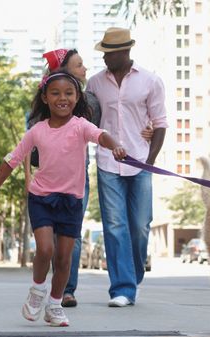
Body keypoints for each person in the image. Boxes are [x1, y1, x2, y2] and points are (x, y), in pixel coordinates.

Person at [0, 70, 127, 327]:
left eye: (69, 93)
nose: (63, 98)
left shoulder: (81, 126)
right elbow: (10, 161)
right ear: (45, 98)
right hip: (42, 198)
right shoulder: (37, 131)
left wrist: (115, 145)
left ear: (77, 97)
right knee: (46, 249)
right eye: (55, 93)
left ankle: (55, 305)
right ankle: (37, 291)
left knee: (64, 259)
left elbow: (101, 135)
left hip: (71, 201)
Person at [39, 48, 154, 308]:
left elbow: (105, 125)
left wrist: (147, 129)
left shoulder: (88, 96)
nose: (85, 68)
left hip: (82, 172)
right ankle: (67, 289)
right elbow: (30, 137)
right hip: (52, 177)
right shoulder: (48, 98)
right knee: (80, 231)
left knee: (133, 226)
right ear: (63, 70)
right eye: (79, 65)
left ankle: (121, 280)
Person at [87, 27, 168, 307]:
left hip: (140, 162)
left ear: (125, 52)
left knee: (140, 226)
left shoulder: (150, 81)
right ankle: (122, 288)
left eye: (110, 54)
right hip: (108, 162)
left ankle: (132, 278)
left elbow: (160, 124)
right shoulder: (94, 84)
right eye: (104, 53)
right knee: (114, 225)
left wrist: (151, 161)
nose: (105, 58)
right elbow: (89, 122)